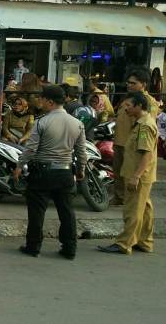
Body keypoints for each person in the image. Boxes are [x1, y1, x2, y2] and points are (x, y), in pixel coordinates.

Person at [16, 85, 87, 260]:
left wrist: (19, 166)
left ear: (50, 101)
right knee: (66, 211)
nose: (40, 102)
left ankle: (33, 247)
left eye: (42, 99)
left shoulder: (42, 122)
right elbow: (81, 152)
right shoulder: (77, 123)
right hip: (65, 172)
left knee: (37, 211)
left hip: (42, 173)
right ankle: (70, 248)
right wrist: (81, 170)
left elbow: (31, 149)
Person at [99, 92, 157, 255]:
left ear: (139, 106)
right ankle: (145, 241)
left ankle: (124, 243)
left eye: (129, 106)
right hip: (138, 173)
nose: (125, 109)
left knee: (133, 210)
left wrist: (136, 176)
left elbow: (147, 154)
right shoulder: (140, 123)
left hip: (138, 175)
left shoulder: (144, 125)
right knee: (144, 210)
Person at [111, 68, 158, 205]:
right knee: (119, 172)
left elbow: (147, 123)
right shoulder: (128, 99)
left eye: (133, 83)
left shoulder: (148, 102)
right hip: (120, 141)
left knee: (131, 174)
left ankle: (129, 199)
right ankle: (119, 197)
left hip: (133, 145)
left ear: (143, 84)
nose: (129, 85)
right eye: (128, 83)